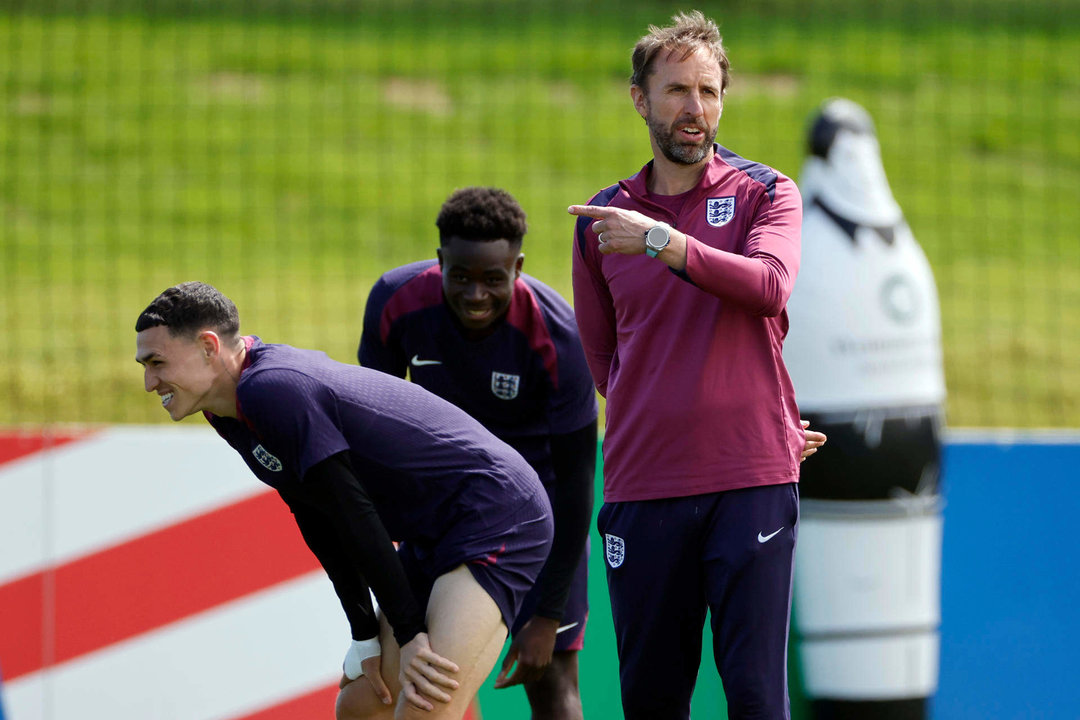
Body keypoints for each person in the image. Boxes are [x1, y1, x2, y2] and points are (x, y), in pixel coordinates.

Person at [134, 281, 553, 720]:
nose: (149, 382)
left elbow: (354, 512)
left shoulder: (271, 389)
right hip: (437, 529)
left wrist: (410, 634)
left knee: (424, 705)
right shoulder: (228, 410)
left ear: (207, 347)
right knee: (362, 706)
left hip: (498, 515)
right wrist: (365, 635)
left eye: (157, 362)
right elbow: (318, 516)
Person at [568, 10, 810, 720]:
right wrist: (688, 410)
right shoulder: (605, 220)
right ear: (640, 99)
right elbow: (605, 361)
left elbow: (768, 285)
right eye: (676, 91)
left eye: (708, 91)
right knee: (651, 701)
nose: (694, 109)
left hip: (751, 482)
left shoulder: (768, 193)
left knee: (758, 699)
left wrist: (661, 243)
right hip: (645, 489)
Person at [358, 186, 598, 720]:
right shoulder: (395, 303)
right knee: (380, 693)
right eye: (460, 276)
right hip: (439, 519)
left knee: (553, 681)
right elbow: (369, 433)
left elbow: (579, 481)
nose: (475, 294)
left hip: (533, 521)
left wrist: (547, 614)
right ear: (440, 261)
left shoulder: (558, 337)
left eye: (494, 279)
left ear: (519, 266)